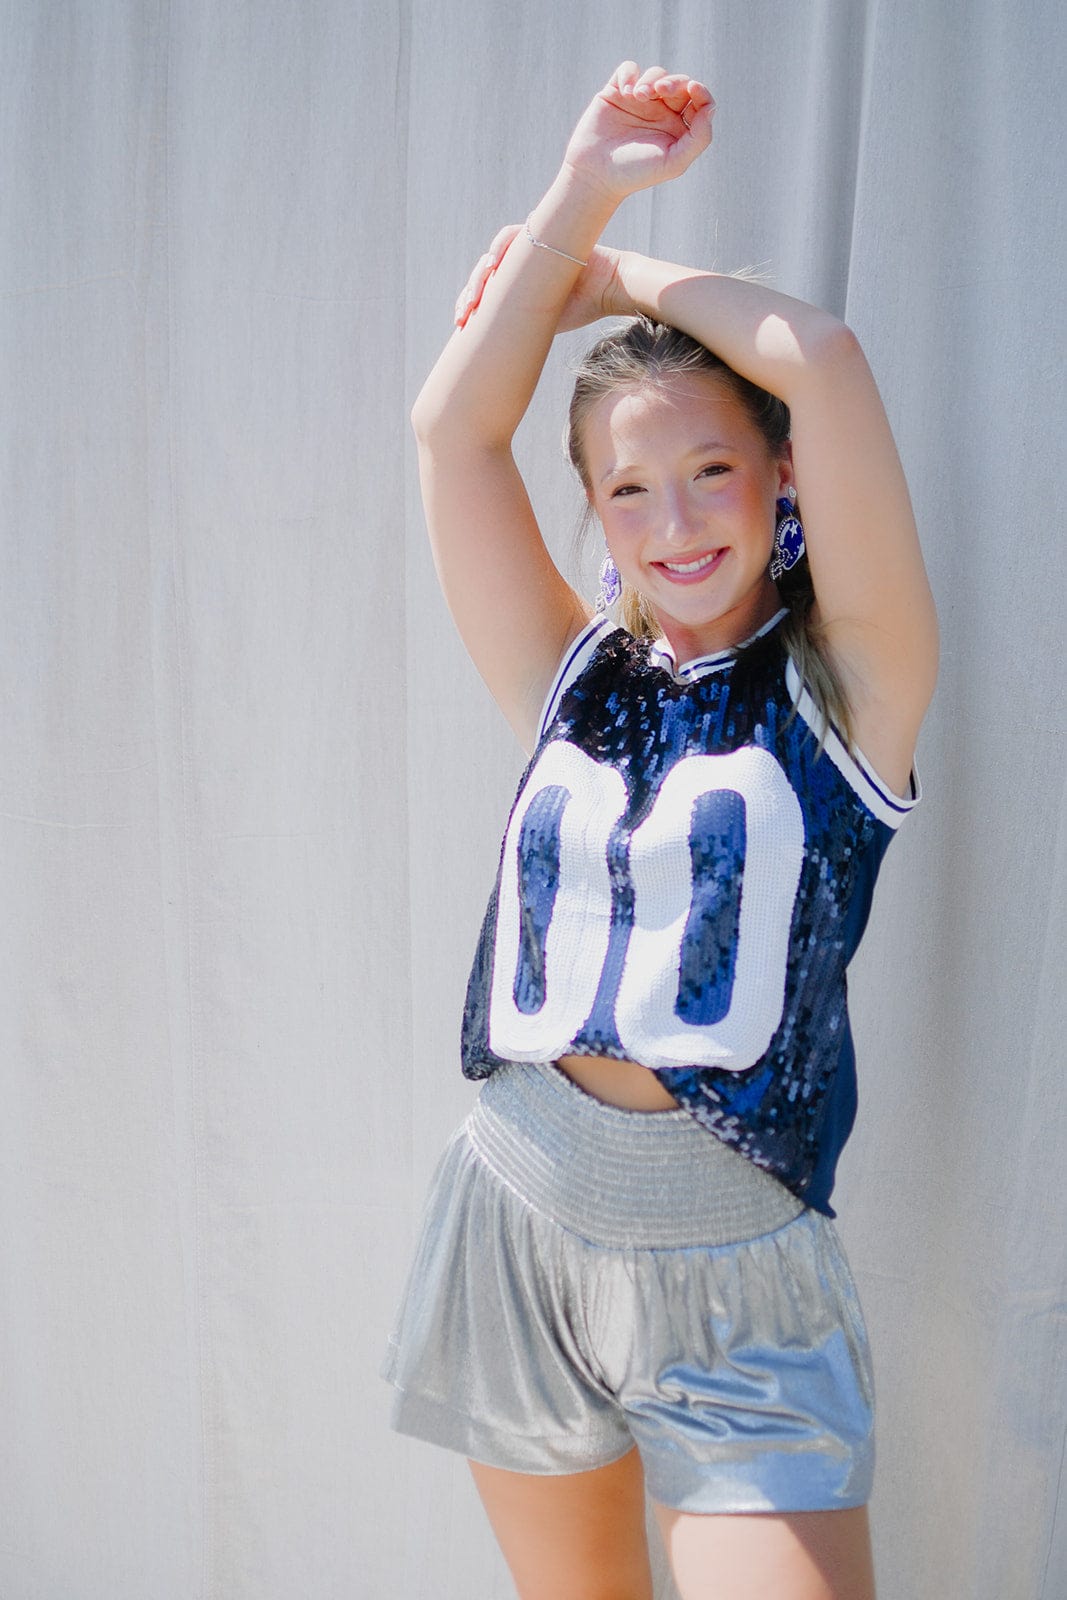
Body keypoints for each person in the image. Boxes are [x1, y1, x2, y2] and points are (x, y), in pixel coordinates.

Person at [383, 61, 938, 1600]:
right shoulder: (575, 679)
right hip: (519, 1213)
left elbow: (819, 355)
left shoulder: (857, 693)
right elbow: (451, 435)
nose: (677, 519)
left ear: (783, 486)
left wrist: (617, 268)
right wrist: (573, 192)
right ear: (599, 518)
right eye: (631, 490)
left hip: (740, 1276)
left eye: (711, 471)